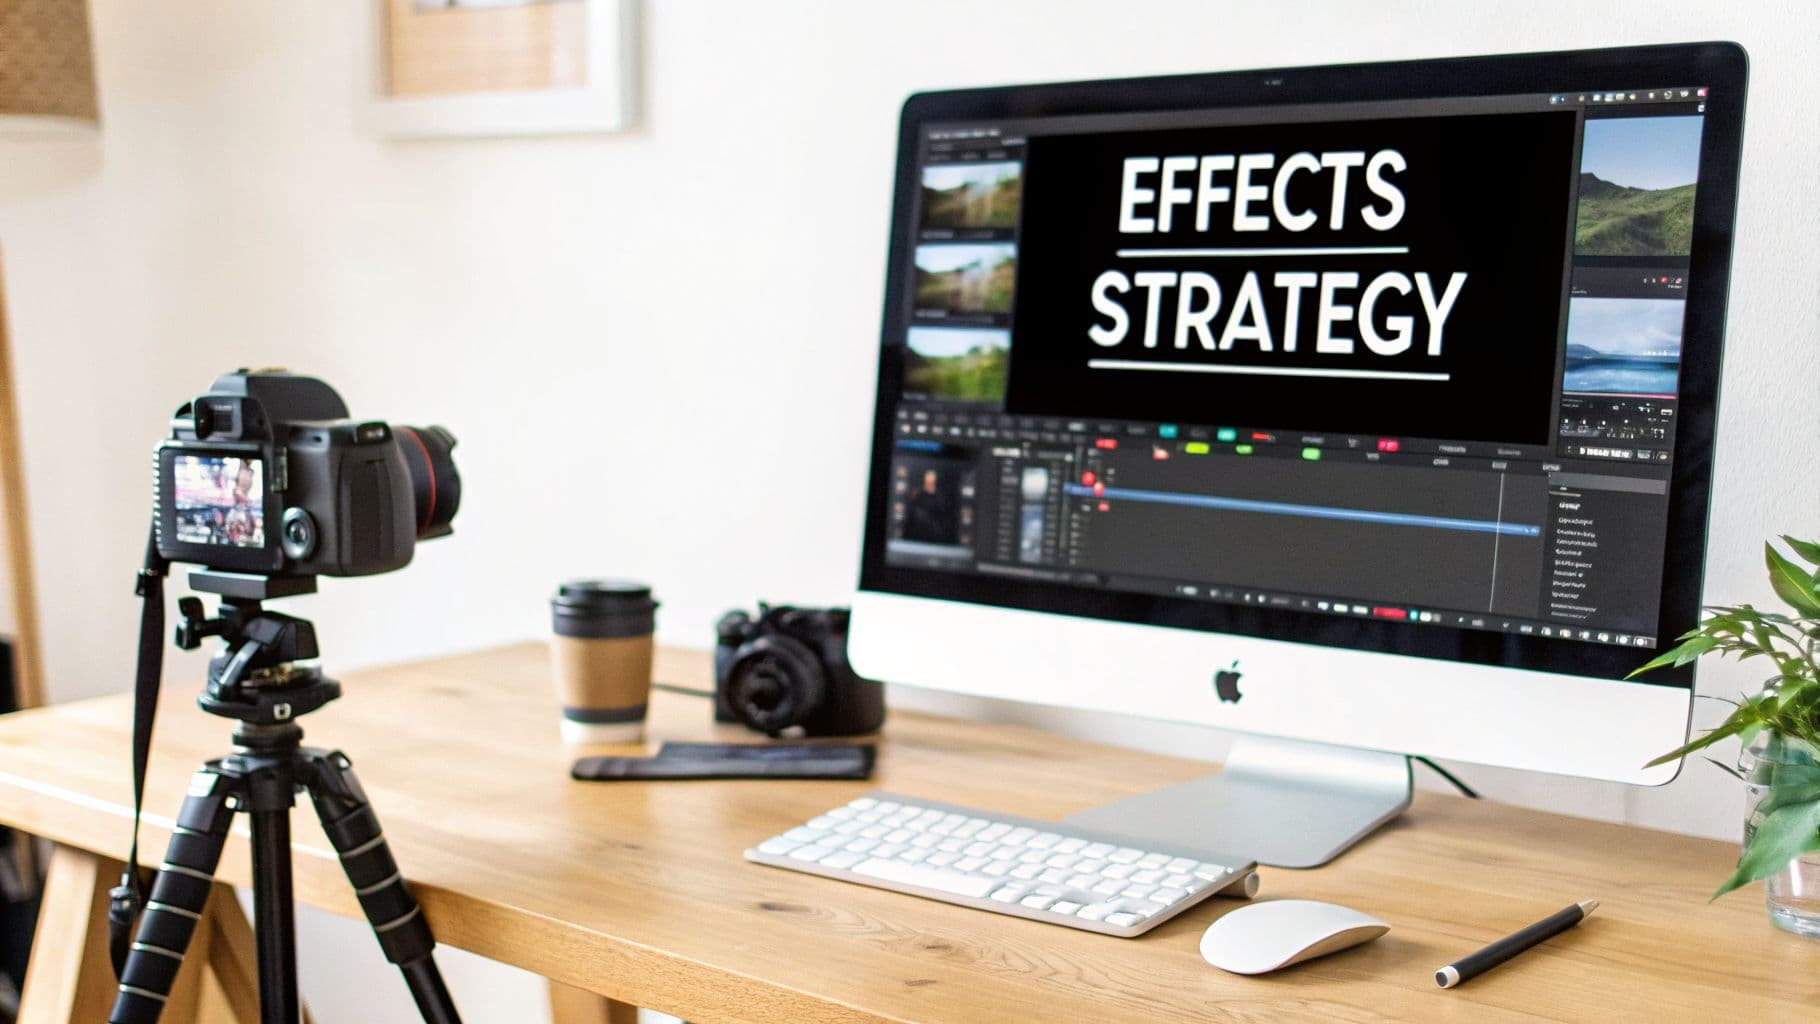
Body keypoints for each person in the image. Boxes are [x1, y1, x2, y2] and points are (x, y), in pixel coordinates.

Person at [902, 468, 958, 543]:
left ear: (935, 482)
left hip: (936, 537)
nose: (929, 485)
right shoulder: (917, 496)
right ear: (924, 482)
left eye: (932, 482)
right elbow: (910, 518)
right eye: (927, 482)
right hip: (917, 536)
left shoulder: (941, 499)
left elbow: (945, 521)